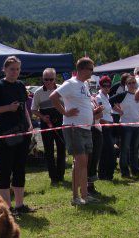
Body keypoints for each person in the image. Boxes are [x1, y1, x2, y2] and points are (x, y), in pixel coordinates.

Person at [50, 57, 104, 205]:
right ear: (82, 69)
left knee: (83, 163)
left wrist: (94, 112)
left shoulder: (84, 85)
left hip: (85, 128)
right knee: (80, 162)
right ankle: (76, 197)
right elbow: (53, 97)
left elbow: (83, 105)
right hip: (74, 127)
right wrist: (65, 113)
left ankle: (83, 196)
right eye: (90, 69)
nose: (92, 72)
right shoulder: (71, 83)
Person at [0, 56, 35, 213]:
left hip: (22, 134)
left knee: (20, 169)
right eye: (12, 69)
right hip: (5, 136)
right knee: (5, 171)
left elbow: (24, 108)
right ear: (5, 69)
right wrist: (7, 108)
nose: (15, 72)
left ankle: (19, 205)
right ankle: (7, 208)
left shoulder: (20, 86)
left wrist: (30, 125)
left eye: (18, 69)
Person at [31, 68, 66, 185]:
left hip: (61, 122)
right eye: (46, 79)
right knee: (49, 151)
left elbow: (69, 104)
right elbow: (33, 109)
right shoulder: (38, 92)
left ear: (55, 79)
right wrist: (42, 117)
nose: (49, 82)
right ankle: (53, 178)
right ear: (42, 79)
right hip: (46, 123)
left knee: (62, 149)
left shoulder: (62, 88)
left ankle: (61, 175)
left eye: (51, 79)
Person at [111, 75, 139, 177]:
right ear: (126, 85)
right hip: (126, 125)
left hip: (137, 125)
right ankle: (125, 171)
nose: (132, 85)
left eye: (134, 82)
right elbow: (110, 100)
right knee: (125, 149)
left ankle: (135, 169)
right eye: (129, 83)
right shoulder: (123, 94)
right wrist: (118, 110)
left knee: (135, 149)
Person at [95, 76, 116, 180]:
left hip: (109, 126)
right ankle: (104, 174)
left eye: (108, 85)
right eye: (105, 86)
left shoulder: (107, 97)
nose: (107, 88)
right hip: (103, 127)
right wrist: (107, 123)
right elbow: (99, 115)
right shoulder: (98, 98)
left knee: (108, 151)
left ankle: (107, 174)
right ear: (101, 86)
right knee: (107, 152)